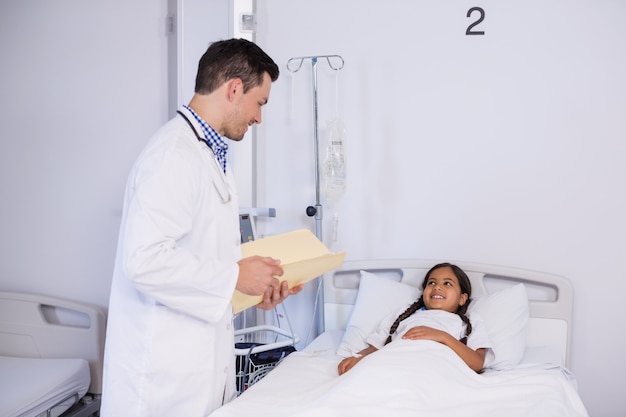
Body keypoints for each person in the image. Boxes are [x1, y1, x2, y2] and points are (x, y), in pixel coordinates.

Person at [101, 38, 303, 417]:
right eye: (260, 103)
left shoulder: (207, 154)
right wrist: (233, 277)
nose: (260, 118)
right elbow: (143, 260)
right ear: (234, 89)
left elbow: (204, 258)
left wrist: (253, 288)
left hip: (193, 365)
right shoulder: (173, 155)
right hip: (161, 377)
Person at [338, 262, 493, 375]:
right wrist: (359, 358)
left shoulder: (469, 321)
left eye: (447, 283)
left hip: (437, 369)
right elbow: (376, 346)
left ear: (462, 298)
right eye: (432, 282)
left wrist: (441, 336)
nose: (437, 287)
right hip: (394, 362)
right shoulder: (406, 314)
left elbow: (477, 363)